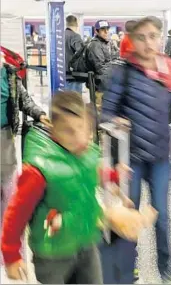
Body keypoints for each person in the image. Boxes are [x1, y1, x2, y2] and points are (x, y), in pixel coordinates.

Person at [101, 16, 171, 283]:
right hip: (128, 160)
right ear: (132, 40)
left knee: (162, 218)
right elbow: (105, 112)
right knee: (128, 219)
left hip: (160, 157)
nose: (148, 42)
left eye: (153, 36)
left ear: (161, 37)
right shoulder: (122, 70)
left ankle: (166, 270)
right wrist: (114, 121)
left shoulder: (168, 68)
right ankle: (129, 270)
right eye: (141, 37)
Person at [1, 91, 154, 283]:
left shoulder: (85, 152)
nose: (79, 137)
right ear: (53, 128)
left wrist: (113, 174)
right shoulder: (37, 171)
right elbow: (16, 214)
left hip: (86, 241)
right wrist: (11, 255)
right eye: (68, 131)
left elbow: (90, 172)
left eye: (82, 128)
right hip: (52, 253)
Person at [1, 53, 50, 245]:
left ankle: (9, 241)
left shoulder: (9, 75)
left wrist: (40, 114)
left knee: (8, 188)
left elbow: (24, 100)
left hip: (4, 138)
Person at [64, 15, 85, 93]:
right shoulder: (75, 36)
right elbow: (82, 52)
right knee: (75, 101)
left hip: (61, 74)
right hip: (72, 75)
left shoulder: (59, 36)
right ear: (77, 24)